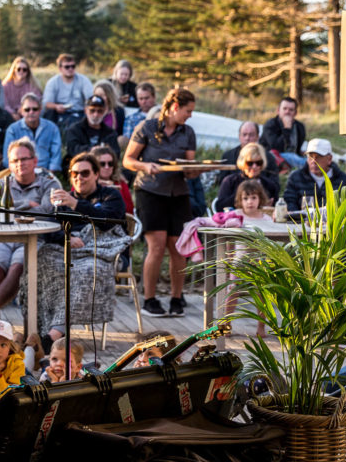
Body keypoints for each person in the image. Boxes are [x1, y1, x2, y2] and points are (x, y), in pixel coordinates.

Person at [33, 153, 127, 342]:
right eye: (74, 173)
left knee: (85, 272)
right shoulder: (62, 198)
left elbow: (108, 223)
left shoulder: (110, 195)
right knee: (38, 263)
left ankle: (52, 336)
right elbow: (48, 228)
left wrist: (76, 204)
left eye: (84, 173)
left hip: (101, 252)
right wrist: (67, 236)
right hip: (66, 249)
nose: (79, 178)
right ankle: (38, 329)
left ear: (96, 174)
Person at [123, 87, 199, 318]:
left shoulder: (188, 133)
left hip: (178, 193)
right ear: (175, 107)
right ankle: (150, 298)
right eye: (188, 110)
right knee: (156, 247)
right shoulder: (147, 128)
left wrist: (197, 170)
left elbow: (190, 169)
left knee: (179, 248)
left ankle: (177, 298)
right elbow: (128, 160)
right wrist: (146, 166)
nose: (190, 115)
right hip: (150, 191)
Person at [0, 138, 60, 323]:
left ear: (35, 161)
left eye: (24, 159)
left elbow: (47, 211)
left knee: (18, 266)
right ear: (9, 164)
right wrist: (28, 204)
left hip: (32, 238)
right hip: (2, 238)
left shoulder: (49, 184)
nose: (20, 164)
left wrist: (11, 209)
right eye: (15, 160)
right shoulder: (0, 184)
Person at [224, 180, 273, 338]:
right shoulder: (237, 217)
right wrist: (229, 258)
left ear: (260, 199)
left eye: (253, 197)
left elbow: (271, 241)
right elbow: (229, 240)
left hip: (260, 262)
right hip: (240, 261)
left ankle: (261, 327)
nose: (249, 202)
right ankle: (226, 323)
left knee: (262, 293)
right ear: (240, 200)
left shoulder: (266, 219)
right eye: (245, 198)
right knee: (232, 291)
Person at [283, 138, 346, 209]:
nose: (313, 161)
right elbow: (289, 202)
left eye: (318, 157)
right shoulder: (296, 177)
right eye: (310, 156)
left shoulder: (344, 180)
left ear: (329, 159)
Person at [2, 94, 61, 173]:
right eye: (27, 109)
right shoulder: (12, 130)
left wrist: (50, 174)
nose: (31, 112)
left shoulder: (52, 128)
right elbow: (7, 158)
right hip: (21, 172)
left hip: (46, 172)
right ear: (22, 111)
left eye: (35, 109)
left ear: (40, 110)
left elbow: (56, 155)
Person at [215, 143, 279, 212]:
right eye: (250, 163)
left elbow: (277, 209)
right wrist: (241, 193)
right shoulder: (230, 181)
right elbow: (219, 207)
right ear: (242, 162)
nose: (254, 167)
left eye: (258, 163)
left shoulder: (269, 185)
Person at [42, 53, 94, 133]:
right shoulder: (53, 82)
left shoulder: (83, 80)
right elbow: (46, 103)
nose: (70, 69)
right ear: (60, 68)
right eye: (67, 67)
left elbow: (91, 98)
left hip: (79, 113)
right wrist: (56, 106)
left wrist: (87, 107)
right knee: (49, 113)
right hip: (59, 113)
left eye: (73, 66)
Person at [64, 95, 120, 168]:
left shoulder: (110, 133)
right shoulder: (74, 129)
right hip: (80, 167)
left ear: (105, 112)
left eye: (100, 111)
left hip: (103, 167)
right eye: (92, 110)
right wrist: (91, 150)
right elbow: (72, 149)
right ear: (85, 111)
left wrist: (102, 153)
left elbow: (116, 154)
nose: (96, 114)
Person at [216, 121, 279, 186]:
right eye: (244, 134)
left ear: (257, 137)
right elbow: (222, 183)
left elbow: (275, 184)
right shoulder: (228, 156)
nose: (247, 138)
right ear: (239, 136)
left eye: (251, 135)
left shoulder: (268, 157)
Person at [259, 97, 306, 170]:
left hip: (293, 157)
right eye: (285, 109)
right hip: (273, 157)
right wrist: (286, 129)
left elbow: (297, 147)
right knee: (291, 156)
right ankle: (307, 166)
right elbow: (276, 147)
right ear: (278, 111)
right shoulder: (271, 124)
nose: (287, 112)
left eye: (291, 110)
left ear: (295, 113)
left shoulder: (299, 127)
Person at [91, 146, 133, 214]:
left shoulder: (120, 183)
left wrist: (114, 193)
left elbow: (129, 210)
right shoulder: (85, 181)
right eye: (102, 164)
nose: (107, 167)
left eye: (110, 163)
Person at [121, 83, 157, 147]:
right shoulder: (131, 118)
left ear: (154, 97)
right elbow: (127, 141)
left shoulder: (163, 115)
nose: (143, 102)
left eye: (146, 98)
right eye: (141, 99)